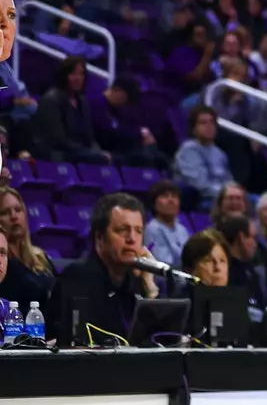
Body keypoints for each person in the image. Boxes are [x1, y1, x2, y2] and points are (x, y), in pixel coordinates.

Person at [47, 192, 151, 344]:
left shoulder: (135, 281)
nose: (132, 239)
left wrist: (150, 289)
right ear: (100, 237)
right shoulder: (78, 277)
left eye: (139, 231)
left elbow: (150, 342)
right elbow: (85, 341)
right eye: (123, 230)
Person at [173, 105, 232, 208]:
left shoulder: (220, 153)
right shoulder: (188, 150)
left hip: (223, 197)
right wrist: (227, 195)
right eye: (203, 123)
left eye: (212, 122)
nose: (209, 126)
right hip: (202, 201)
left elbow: (228, 180)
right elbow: (200, 186)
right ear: (193, 128)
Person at [144, 180, 192, 269]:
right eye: (164, 196)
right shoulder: (151, 229)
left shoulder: (183, 230)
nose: (171, 200)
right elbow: (160, 262)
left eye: (174, 196)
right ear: (154, 203)